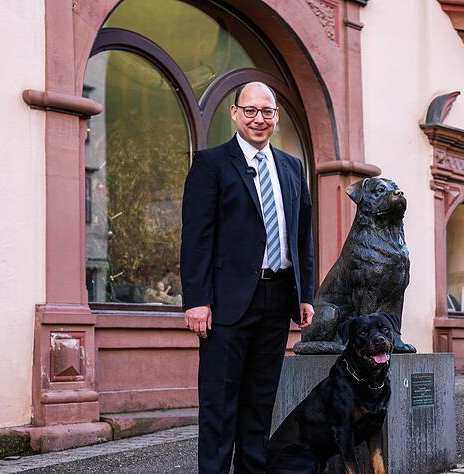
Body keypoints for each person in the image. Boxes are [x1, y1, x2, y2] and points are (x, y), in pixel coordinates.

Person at [180, 81, 315, 473]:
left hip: (277, 301)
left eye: (267, 112)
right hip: (225, 304)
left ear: (276, 117)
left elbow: (301, 236)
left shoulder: (292, 167)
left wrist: (304, 294)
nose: (260, 119)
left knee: (259, 406)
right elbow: (197, 238)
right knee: (220, 407)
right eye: (251, 110)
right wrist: (196, 299)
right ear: (235, 113)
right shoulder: (211, 164)